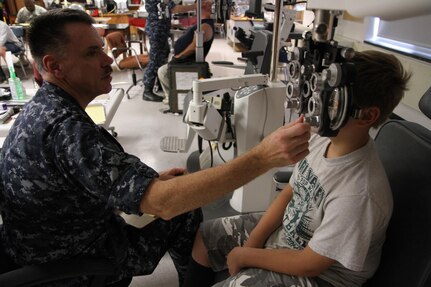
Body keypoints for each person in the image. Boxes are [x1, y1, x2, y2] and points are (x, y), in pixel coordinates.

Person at [0, 9, 311, 286]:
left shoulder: (42, 109)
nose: (109, 60)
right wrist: (263, 157)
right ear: (56, 66)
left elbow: (75, 182)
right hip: (70, 264)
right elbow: (165, 204)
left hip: (39, 246)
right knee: (183, 212)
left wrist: (147, 186)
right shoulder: (68, 131)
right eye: (92, 53)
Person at [183, 50, 412, 287]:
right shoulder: (322, 139)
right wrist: (250, 246)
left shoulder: (360, 193)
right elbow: (290, 192)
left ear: (367, 115)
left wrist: (247, 256)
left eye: (331, 100)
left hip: (321, 276)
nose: (318, 104)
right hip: (291, 238)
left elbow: (310, 263)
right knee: (206, 236)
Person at [157, 0, 214, 103]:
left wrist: (178, 57)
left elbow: (194, 46)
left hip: (188, 61)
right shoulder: (201, 23)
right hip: (185, 59)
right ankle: (175, 97)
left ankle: (173, 99)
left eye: (207, 3)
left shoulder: (205, 26)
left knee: (162, 71)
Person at [143, 0, 199, 102]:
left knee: (163, 56)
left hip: (162, 27)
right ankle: (147, 90)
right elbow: (174, 8)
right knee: (155, 59)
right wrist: (196, 6)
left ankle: (159, 83)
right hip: (156, 28)